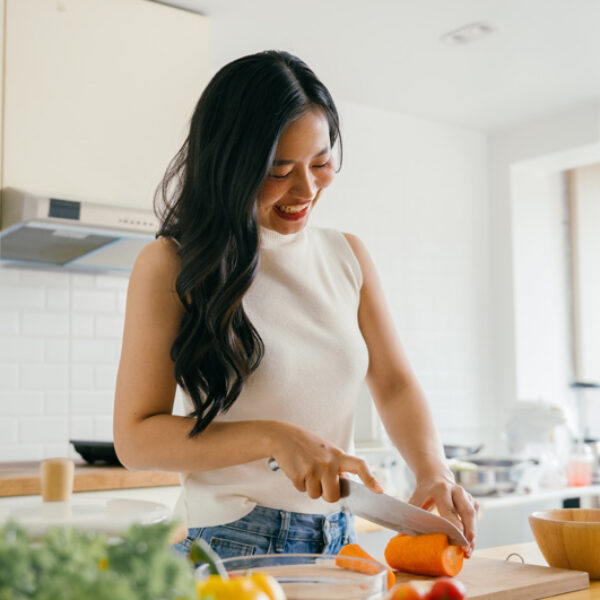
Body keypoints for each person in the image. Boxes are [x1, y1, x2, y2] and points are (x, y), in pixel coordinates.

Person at [113, 50, 478, 561]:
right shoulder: (171, 264)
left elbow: (393, 383)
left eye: (322, 163)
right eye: (278, 170)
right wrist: (271, 438)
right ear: (230, 164)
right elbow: (135, 438)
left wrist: (433, 471)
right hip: (231, 546)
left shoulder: (347, 255)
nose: (306, 189)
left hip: (340, 542)